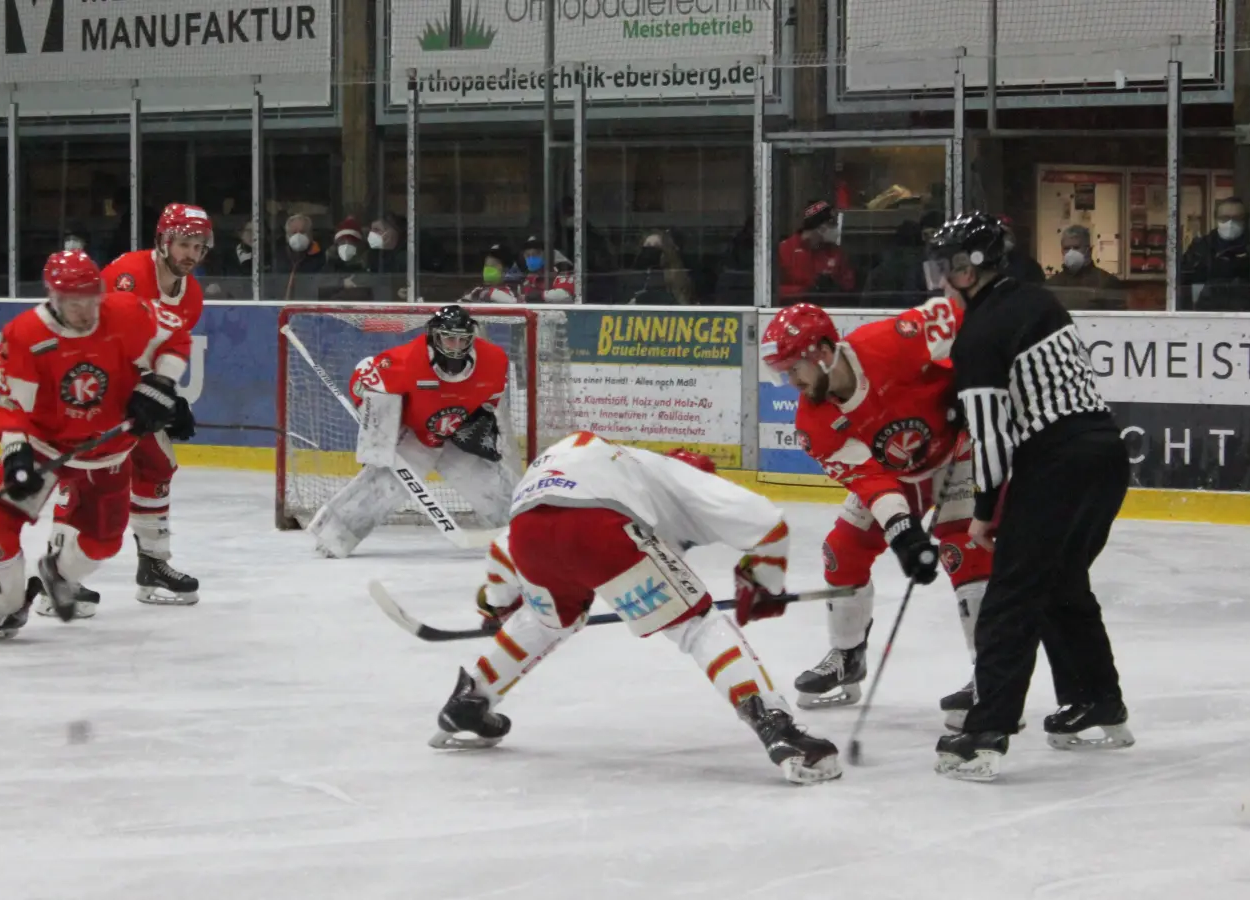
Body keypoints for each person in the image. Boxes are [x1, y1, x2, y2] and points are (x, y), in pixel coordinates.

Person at [430, 434, 840, 785]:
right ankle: (775, 725)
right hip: (600, 528)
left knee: (545, 620)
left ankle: (471, 700)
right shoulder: (680, 477)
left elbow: (506, 545)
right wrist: (764, 583)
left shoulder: (606, 464)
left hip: (528, 533)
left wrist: (499, 607)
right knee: (696, 625)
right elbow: (769, 522)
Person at [924, 212, 1131, 782]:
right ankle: (1097, 702)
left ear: (978, 268)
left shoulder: (980, 335)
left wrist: (985, 513)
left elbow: (990, 437)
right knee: (1062, 582)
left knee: (1010, 597)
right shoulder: (1039, 300)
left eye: (953, 269)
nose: (943, 281)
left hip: (1058, 464)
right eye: (939, 268)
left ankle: (986, 731)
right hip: (1107, 456)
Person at [762, 301, 990, 721]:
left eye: (793, 368)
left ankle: (992, 676)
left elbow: (971, 315)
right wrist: (904, 533)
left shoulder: (891, 340)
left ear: (823, 353)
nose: (790, 381)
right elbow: (873, 482)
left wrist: (973, 381)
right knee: (841, 551)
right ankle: (848, 655)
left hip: (960, 449)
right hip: (898, 473)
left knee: (965, 551)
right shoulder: (814, 424)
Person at [0, 251, 182, 640]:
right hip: (45, 447)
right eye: (72, 301)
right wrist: (15, 449)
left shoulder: (127, 311)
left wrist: (162, 385)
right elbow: (7, 397)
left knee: (103, 544)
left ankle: (58, 574)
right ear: (53, 297)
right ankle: (7, 611)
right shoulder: (27, 333)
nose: (84, 310)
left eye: (90, 297)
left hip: (107, 452)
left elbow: (175, 336)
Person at [308, 305, 512, 559]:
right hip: (414, 434)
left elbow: (490, 399)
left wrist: (480, 421)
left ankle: (525, 534)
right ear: (434, 337)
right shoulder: (406, 361)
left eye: (463, 339)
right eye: (449, 338)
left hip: (457, 432)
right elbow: (363, 375)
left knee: (490, 485)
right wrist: (377, 423)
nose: (456, 346)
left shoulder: (494, 360)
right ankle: (333, 536)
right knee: (383, 486)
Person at [89, 204, 206, 611]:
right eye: (183, 244)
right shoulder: (129, 276)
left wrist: (166, 393)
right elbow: (110, 341)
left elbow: (168, 347)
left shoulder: (191, 294)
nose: (190, 254)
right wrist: (150, 391)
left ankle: (153, 565)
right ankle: (61, 577)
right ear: (162, 241)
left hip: (134, 387)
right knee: (90, 479)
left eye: (197, 246)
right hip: (94, 385)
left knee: (157, 465)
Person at [1180, 197, 1250, 310]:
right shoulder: (1201, 247)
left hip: (1246, 313)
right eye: (1224, 218)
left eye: (1237, 218)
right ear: (1216, 219)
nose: (1230, 222)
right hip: (1208, 310)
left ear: (1245, 220)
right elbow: (1184, 280)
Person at [777, 200, 855, 304]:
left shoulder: (835, 252)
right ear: (819, 226)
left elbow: (850, 287)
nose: (835, 229)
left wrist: (836, 288)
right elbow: (771, 290)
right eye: (831, 224)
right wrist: (805, 292)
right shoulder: (784, 250)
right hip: (794, 311)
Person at [1044, 225, 1126, 311]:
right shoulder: (1052, 285)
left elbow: (1117, 320)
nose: (1071, 252)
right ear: (1061, 251)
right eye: (1066, 248)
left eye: (1076, 247)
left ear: (1089, 250)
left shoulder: (1107, 282)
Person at [273, 213, 326, 300]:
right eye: (294, 232)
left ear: (310, 234)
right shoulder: (278, 255)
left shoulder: (320, 256)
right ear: (287, 236)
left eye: (302, 232)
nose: (298, 236)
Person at [995, 214, 1046, 286]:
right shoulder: (984, 267)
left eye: (1008, 235)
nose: (1005, 239)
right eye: (1001, 235)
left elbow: (1039, 289)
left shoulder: (1029, 265)